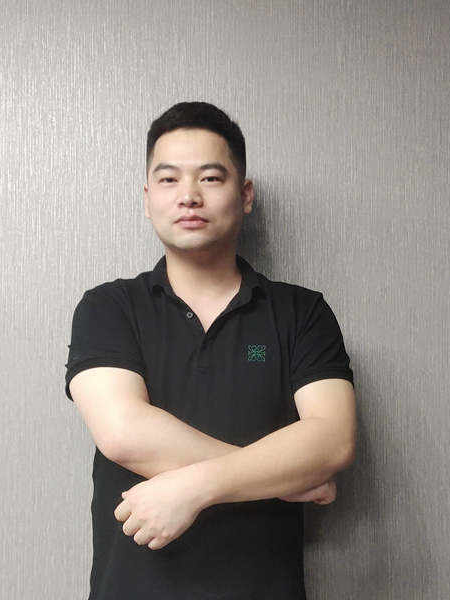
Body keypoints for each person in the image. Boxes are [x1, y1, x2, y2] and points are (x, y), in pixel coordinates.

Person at [65, 102, 356, 600]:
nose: (189, 196)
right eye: (169, 179)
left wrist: (195, 488)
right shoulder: (109, 307)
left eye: (210, 178)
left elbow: (333, 441)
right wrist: (288, 477)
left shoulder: (301, 312)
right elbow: (124, 432)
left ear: (245, 195)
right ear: (147, 198)